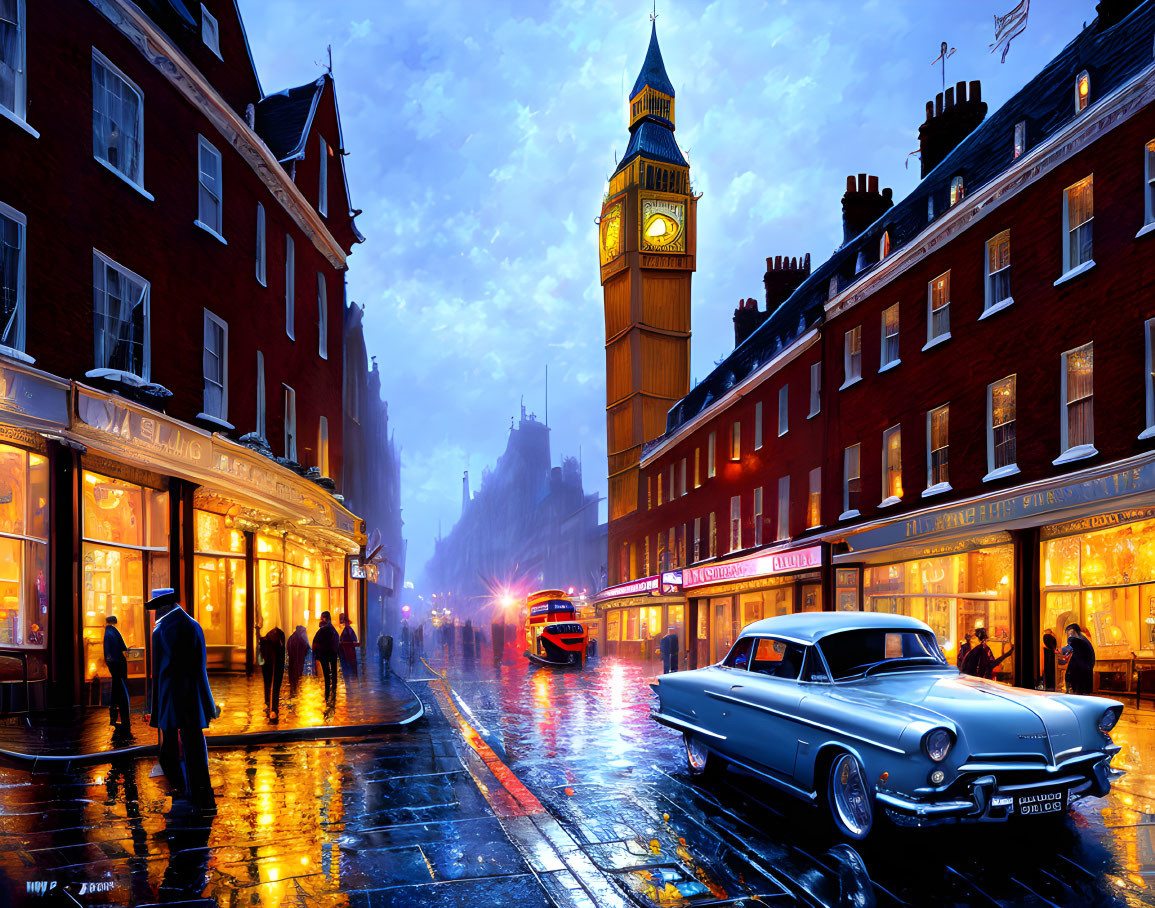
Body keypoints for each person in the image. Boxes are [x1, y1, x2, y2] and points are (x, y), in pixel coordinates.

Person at [147, 588, 218, 812]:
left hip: (169, 698)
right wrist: (208, 704)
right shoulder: (193, 626)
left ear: (165, 607)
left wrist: (153, 707)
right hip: (192, 698)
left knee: (168, 751)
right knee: (194, 746)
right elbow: (201, 669)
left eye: (157, 608)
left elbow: (157, 673)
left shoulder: (159, 632)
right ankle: (201, 794)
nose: (155, 613)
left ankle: (181, 789)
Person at [103, 615, 131, 732]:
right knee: (119, 684)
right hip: (117, 662)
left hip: (113, 662)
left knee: (116, 683)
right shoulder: (112, 631)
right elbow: (120, 647)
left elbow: (107, 650)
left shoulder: (108, 632)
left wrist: (108, 660)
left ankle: (114, 707)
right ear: (114, 621)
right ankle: (118, 706)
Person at [312, 611, 341, 703]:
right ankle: (332, 694)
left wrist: (316, 654)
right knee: (333, 673)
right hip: (332, 653)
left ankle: (328, 694)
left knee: (326, 674)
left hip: (324, 654)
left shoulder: (322, 630)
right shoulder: (332, 630)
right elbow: (337, 641)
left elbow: (315, 643)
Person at [258, 627, 286, 720]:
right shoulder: (277, 637)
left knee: (268, 681)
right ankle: (272, 709)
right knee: (274, 680)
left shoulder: (263, 638)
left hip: (268, 653)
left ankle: (269, 706)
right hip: (273, 653)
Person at [1062, 623, 1096, 694]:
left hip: (1081, 670)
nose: (1069, 636)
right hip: (1083, 670)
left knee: (1079, 690)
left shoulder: (1078, 640)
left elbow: (1069, 649)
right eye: (1068, 634)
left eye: (1071, 633)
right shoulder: (1082, 639)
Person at [286, 625, 309, 698]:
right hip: (298, 662)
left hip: (292, 662)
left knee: (292, 680)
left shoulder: (291, 638)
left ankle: (293, 694)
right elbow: (306, 649)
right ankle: (297, 694)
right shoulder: (302, 639)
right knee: (297, 678)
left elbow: (288, 648)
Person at [338, 613, 359, 678]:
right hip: (346, 650)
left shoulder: (348, 629)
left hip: (347, 650)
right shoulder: (346, 629)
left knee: (348, 667)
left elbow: (354, 639)